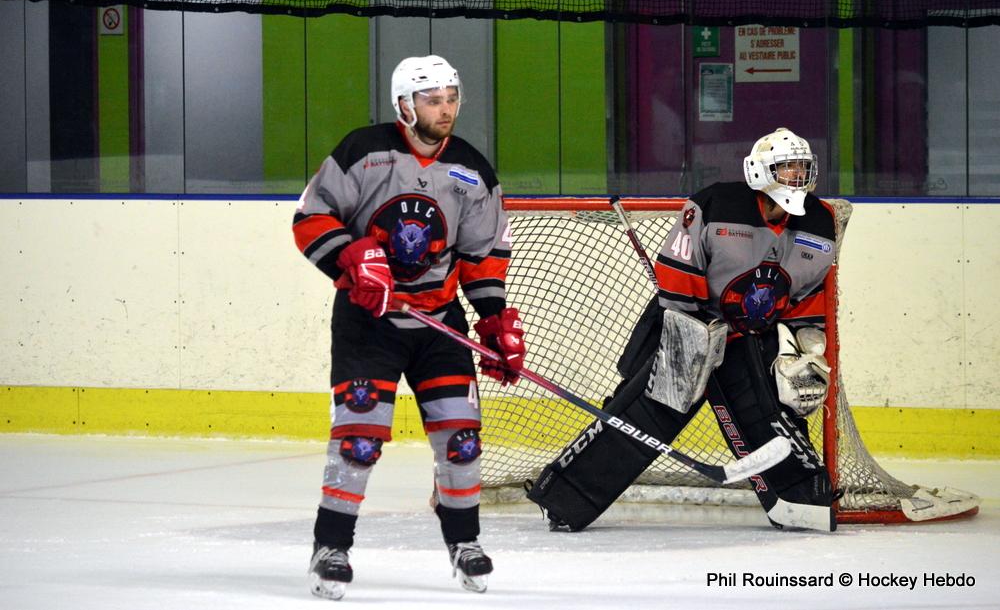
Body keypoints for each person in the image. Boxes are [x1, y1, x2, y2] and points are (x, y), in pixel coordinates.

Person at [527, 127, 841, 533]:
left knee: (772, 418)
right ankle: (564, 499)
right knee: (642, 418)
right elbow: (678, 272)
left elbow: (810, 295)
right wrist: (694, 336)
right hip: (689, 327)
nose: (797, 176)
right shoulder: (716, 203)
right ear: (762, 171)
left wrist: (804, 347)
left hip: (751, 341)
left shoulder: (821, 221)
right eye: (787, 167)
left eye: (803, 167)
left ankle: (802, 500)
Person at [292, 55, 525, 600]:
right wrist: (352, 256)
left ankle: (464, 543)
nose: (445, 109)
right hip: (368, 323)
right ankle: (331, 548)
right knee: (358, 440)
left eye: (451, 98)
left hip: (438, 326)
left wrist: (492, 323)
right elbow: (310, 218)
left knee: (461, 439)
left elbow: (482, 254)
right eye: (432, 100)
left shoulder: (471, 170)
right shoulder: (363, 152)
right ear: (405, 104)